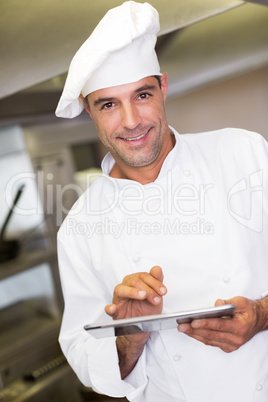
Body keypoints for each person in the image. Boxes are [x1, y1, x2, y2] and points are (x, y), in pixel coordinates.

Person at [55, 2, 268, 401]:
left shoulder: (244, 153)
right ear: (89, 110)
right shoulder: (80, 230)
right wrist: (131, 337)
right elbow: (84, 358)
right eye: (108, 104)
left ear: (163, 86)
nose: (131, 120)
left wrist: (262, 315)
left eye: (142, 94)